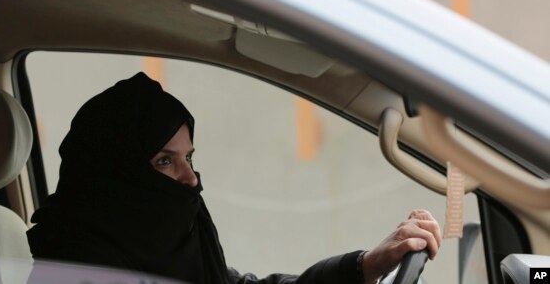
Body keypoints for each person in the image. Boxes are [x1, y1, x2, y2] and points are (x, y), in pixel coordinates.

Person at [27, 72, 442, 284]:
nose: (190, 178)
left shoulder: (171, 249)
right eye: (163, 162)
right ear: (115, 176)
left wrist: (362, 267)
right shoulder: (77, 268)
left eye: (189, 156)